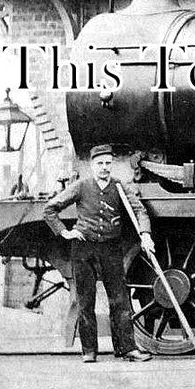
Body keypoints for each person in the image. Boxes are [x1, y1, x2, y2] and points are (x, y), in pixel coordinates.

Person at [43, 144, 154, 363]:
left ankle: (127, 349)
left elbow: (139, 210)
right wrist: (65, 233)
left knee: (120, 300)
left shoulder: (120, 187)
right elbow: (50, 209)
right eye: (100, 164)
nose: (104, 168)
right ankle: (89, 351)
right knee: (86, 301)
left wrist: (146, 234)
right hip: (84, 249)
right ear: (92, 165)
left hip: (111, 249)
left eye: (108, 164)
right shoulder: (81, 186)